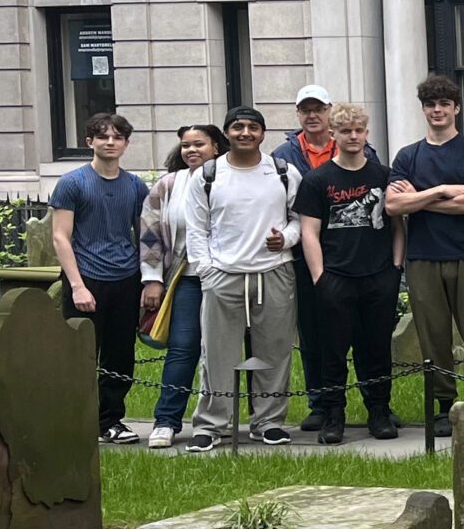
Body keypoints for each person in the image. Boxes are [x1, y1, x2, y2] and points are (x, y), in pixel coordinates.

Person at [185, 106, 303, 450]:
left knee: (275, 351)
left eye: (253, 127)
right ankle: (212, 424)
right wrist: (207, 271)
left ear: (263, 134)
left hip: (274, 271)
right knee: (217, 353)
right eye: (238, 127)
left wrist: (287, 239)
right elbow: (197, 229)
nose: (245, 133)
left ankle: (268, 422)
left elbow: (298, 218)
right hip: (224, 274)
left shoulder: (283, 172)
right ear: (227, 133)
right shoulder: (207, 175)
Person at [386, 73, 464, 429]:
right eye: (431, 105)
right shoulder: (408, 155)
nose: (438, 110)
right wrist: (442, 190)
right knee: (433, 336)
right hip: (422, 257)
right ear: (423, 110)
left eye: (444, 104)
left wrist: (417, 199)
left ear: (456, 108)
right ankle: (444, 404)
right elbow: (392, 206)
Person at [294, 102, 401, 443]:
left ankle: (380, 411)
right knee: (333, 351)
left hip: (379, 275)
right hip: (335, 277)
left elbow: (399, 224)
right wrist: (320, 277)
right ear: (333, 135)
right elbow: (309, 231)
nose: (353, 136)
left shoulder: (384, 176)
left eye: (359, 130)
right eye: (345, 131)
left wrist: (396, 267)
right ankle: (333, 414)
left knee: (377, 350)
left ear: (366, 134)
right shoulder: (317, 179)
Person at [48, 109, 147, 444]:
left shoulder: (135, 185)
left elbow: (145, 235)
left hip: (126, 277)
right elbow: (61, 236)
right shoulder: (72, 183)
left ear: (125, 143)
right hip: (86, 278)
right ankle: (76, 421)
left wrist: (147, 279)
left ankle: (110, 421)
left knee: (120, 355)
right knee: (80, 354)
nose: (110, 142)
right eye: (103, 136)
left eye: (117, 137)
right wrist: (77, 286)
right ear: (89, 141)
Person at [137, 123, 224, 449]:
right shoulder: (169, 186)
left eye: (199, 144)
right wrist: (152, 280)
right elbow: (150, 235)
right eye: (186, 145)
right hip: (185, 280)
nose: (191, 150)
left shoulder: (231, 179)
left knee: (225, 352)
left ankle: (223, 420)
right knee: (183, 348)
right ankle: (166, 421)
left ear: (216, 147)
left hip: (228, 280)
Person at [273, 85, 344, 434]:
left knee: (360, 332)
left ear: (329, 110)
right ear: (298, 114)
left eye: (318, 108)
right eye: (306, 109)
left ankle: (375, 401)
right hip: (302, 254)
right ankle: (320, 403)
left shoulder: (352, 143)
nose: (312, 115)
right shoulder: (282, 156)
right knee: (313, 331)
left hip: (349, 250)